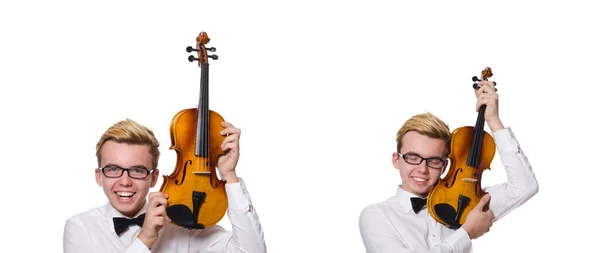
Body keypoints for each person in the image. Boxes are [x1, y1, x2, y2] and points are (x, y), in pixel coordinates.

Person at [358, 80, 539, 252]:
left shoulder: (470, 204)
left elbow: (525, 187)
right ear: (396, 160)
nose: (422, 169)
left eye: (434, 161)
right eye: (413, 157)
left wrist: (493, 120)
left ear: (445, 166)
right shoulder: (376, 216)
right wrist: (466, 232)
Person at [63, 118, 267, 252]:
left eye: (137, 170)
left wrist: (229, 175)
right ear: (99, 176)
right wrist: (146, 238)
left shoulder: (182, 226)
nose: (125, 181)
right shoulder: (80, 227)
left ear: (154, 178)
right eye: (114, 169)